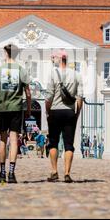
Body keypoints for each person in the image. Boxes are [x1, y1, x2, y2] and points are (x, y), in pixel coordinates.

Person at [0, 44, 31, 184]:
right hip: (16, 108)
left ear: (5, 53)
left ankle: (2, 173)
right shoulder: (21, 70)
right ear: (17, 54)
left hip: (2, 108)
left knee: (2, 139)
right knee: (13, 140)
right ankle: (12, 173)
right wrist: (29, 108)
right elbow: (28, 93)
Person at [45, 49, 83, 183]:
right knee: (68, 144)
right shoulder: (77, 75)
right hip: (69, 113)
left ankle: (54, 171)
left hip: (55, 111)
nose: (53, 60)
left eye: (54, 57)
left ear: (60, 59)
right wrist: (76, 114)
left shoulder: (52, 74)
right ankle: (67, 173)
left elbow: (48, 97)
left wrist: (47, 112)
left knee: (53, 143)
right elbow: (80, 98)